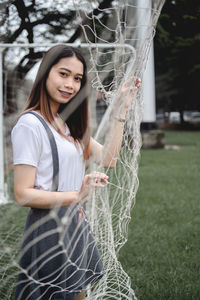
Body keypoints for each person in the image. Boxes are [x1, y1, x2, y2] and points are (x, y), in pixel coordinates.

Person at [12, 44, 141, 300]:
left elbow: (109, 159)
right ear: (45, 73)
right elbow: (22, 194)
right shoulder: (30, 124)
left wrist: (120, 110)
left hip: (76, 224)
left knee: (78, 294)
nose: (70, 84)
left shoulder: (67, 124)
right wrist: (77, 195)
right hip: (49, 230)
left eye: (77, 78)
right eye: (63, 74)